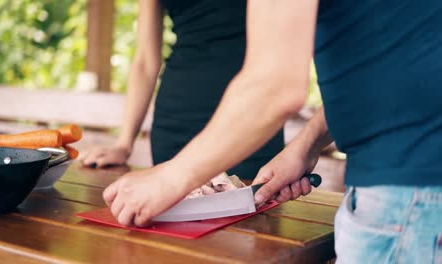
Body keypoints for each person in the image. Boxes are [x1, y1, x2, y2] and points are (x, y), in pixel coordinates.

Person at [102, 1, 442, 263]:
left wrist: (169, 178)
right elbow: (392, 56)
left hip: (410, 192)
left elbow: (275, 86)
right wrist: (306, 145)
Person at [78, 0, 284, 180]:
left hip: (250, 118)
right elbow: (145, 61)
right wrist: (124, 144)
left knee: (252, 221)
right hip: (177, 123)